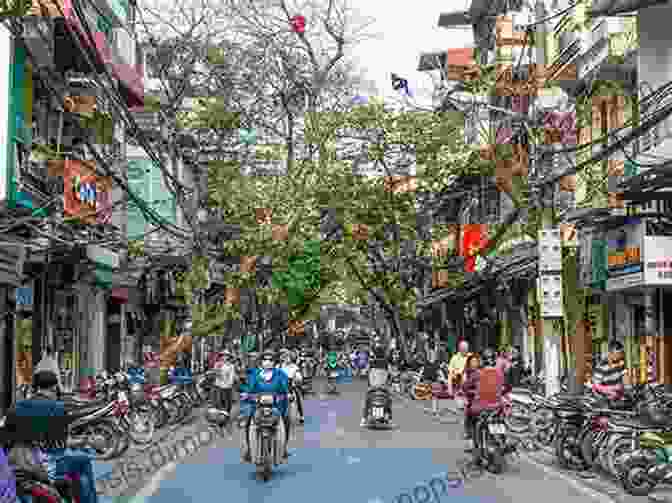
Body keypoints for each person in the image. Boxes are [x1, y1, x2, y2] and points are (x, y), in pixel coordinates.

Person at [5, 370, 98, 503]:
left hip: (15, 464)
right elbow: (59, 446)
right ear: (55, 387)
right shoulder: (56, 408)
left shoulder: (16, 406)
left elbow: (8, 438)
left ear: (35, 387)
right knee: (83, 461)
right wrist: (84, 441)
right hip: (42, 466)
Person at [240, 350, 290, 462]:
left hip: (276, 405)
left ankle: (284, 447)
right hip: (257, 405)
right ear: (261, 362)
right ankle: (249, 449)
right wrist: (245, 394)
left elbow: (285, 387)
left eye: (270, 360)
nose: (267, 362)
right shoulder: (255, 374)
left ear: (274, 362)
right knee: (248, 420)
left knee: (286, 418)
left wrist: (288, 394)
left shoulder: (280, 373)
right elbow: (248, 387)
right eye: (265, 360)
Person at [465, 348, 506, 452]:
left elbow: (465, 386)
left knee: (469, 415)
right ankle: (503, 440)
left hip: (480, 407)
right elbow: (506, 387)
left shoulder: (477, 373)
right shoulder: (500, 373)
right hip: (497, 407)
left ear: (482, 360)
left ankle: (471, 440)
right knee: (501, 420)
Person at [361, 337, 390, 426]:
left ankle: (364, 418)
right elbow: (391, 372)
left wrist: (364, 373)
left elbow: (365, 371)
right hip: (383, 388)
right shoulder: (386, 363)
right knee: (389, 401)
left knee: (367, 401)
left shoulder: (371, 362)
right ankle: (389, 416)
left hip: (372, 388)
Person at [280, 351, 305, 425]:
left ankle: (301, 415)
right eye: (285, 357)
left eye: (288, 357)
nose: (287, 359)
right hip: (281, 386)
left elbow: (299, 377)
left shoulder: (294, 366)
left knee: (298, 398)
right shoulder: (279, 366)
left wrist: (297, 378)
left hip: (291, 385)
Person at [461, 353, 481, 439]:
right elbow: (464, 386)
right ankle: (469, 432)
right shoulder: (466, 373)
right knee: (469, 413)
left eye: (476, 362)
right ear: (469, 363)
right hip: (471, 399)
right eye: (472, 362)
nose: (474, 364)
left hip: (482, 398)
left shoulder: (481, 372)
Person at [423, 349, 446, 416]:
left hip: (434, 380)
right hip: (427, 380)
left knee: (434, 396)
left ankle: (434, 410)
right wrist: (420, 377)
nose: (432, 356)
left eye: (433, 355)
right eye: (431, 354)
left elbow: (439, 371)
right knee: (427, 395)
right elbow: (423, 371)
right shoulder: (426, 363)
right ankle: (428, 408)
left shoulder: (436, 363)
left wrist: (443, 378)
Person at [213, 350, 236, 416]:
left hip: (227, 387)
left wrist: (229, 383)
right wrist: (217, 370)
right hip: (218, 385)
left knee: (227, 403)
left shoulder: (231, 366)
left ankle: (226, 415)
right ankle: (219, 417)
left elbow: (232, 376)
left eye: (226, 355)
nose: (224, 357)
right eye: (223, 355)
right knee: (218, 402)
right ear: (221, 356)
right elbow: (215, 373)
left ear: (228, 357)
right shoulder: (217, 364)